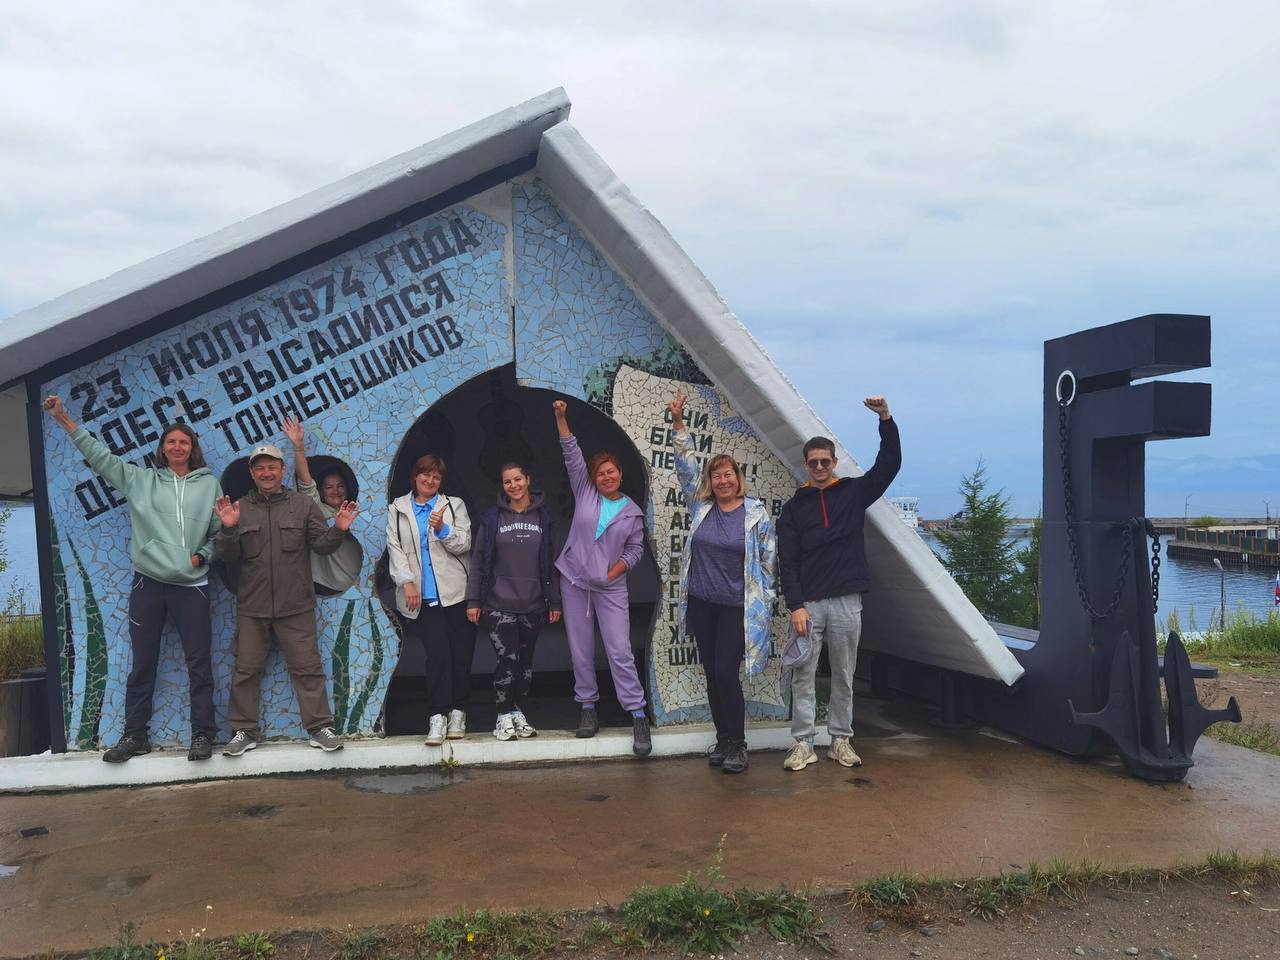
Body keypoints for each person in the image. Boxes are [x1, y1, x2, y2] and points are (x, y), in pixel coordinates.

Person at [42, 396, 222, 763]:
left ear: (193, 449)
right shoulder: (141, 481)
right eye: (171, 441)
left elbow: (220, 532)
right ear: (162, 449)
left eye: (184, 442)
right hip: (148, 583)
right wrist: (63, 419)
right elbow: (101, 458)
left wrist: (201, 556)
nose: (177, 447)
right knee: (142, 664)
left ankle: (203, 734)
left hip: (192, 585)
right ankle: (135, 735)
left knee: (199, 664)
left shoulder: (209, 485)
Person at [777, 396, 900, 772]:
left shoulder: (853, 492)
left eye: (825, 462)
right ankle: (803, 743)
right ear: (805, 464)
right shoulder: (793, 508)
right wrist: (796, 605)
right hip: (809, 605)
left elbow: (889, 465)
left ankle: (840, 740)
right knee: (804, 675)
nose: (819, 467)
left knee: (844, 675)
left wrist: (885, 419)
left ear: (834, 463)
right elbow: (787, 561)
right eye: (813, 462)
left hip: (847, 599)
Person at [214, 443, 358, 755]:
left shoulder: (303, 505)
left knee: (308, 669)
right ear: (252, 473)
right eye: (260, 468)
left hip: (296, 605)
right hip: (253, 607)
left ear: (283, 470)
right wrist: (228, 529)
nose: (266, 473)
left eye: (272, 467)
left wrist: (338, 529)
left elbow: (321, 546)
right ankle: (244, 731)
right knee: (246, 670)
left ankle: (319, 728)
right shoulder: (240, 508)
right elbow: (226, 555)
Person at [667, 392, 777, 774]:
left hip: (735, 608)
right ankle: (723, 740)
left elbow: (769, 564)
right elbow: (686, 468)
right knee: (712, 675)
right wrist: (678, 423)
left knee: (727, 673)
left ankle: (739, 744)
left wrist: (765, 604)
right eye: (716, 475)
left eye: (728, 474)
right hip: (702, 605)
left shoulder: (756, 514)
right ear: (710, 482)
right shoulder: (701, 508)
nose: (722, 480)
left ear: (737, 478)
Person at [552, 399, 651, 756]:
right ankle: (588, 708)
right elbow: (571, 453)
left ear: (620, 474)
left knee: (619, 650)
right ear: (593, 478)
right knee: (580, 651)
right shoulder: (585, 492)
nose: (606, 477)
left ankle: (637, 713)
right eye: (601, 473)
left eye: (612, 472)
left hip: (610, 588)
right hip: (574, 582)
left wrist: (613, 572)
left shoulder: (633, 513)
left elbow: (635, 551)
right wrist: (562, 418)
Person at [465, 462, 562, 741]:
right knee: (508, 660)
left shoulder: (544, 517)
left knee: (525, 664)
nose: (514, 485)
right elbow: (479, 561)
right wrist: (474, 600)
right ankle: (502, 716)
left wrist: (555, 603)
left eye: (518, 479)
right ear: (503, 486)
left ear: (528, 479)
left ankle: (518, 711)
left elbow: (553, 562)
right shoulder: (492, 517)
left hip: (534, 604)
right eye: (507, 482)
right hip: (498, 604)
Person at [386, 455, 473, 747]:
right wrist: (407, 583)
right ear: (415, 476)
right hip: (422, 598)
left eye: (436, 476)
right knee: (438, 656)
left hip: (456, 594)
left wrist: (443, 530)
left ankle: (458, 712)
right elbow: (395, 548)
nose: (430, 480)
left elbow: (465, 543)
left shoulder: (453, 505)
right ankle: (438, 715)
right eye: (425, 474)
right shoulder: (398, 508)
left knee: (461, 655)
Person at [281, 416, 362, 595]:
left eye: (340, 486)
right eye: (329, 487)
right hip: (330, 582)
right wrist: (298, 447)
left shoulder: (358, 509)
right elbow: (306, 484)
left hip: (357, 574)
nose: (336, 491)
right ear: (322, 492)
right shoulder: (317, 510)